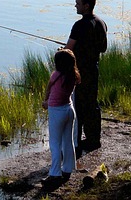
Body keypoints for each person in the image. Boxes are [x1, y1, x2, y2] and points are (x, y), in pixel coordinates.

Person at [65, 0, 107, 156]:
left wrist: (63, 50)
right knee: (92, 104)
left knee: (78, 106)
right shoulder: (101, 23)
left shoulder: (79, 25)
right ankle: (93, 139)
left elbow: (69, 49)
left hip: (80, 72)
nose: (75, 5)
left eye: (78, 3)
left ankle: (77, 143)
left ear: (86, 5)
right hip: (93, 70)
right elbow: (103, 48)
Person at [41, 48, 80, 188]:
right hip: (69, 110)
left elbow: (49, 89)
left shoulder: (55, 75)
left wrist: (45, 102)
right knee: (68, 141)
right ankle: (67, 169)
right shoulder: (73, 75)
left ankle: (55, 174)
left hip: (57, 111)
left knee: (55, 143)